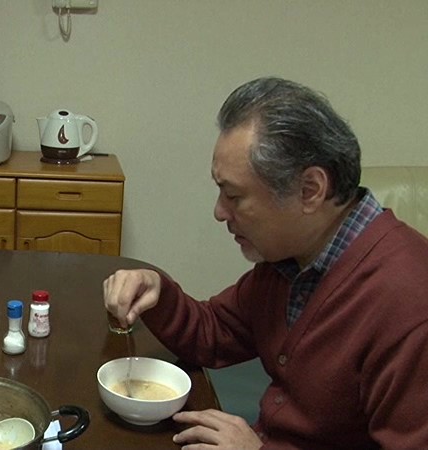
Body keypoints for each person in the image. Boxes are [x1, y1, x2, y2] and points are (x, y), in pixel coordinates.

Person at [103, 77, 428, 448]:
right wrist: (158, 292)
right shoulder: (293, 261)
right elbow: (213, 333)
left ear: (310, 190)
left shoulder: (409, 304)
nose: (219, 212)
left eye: (234, 196)